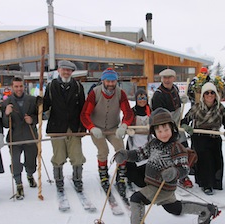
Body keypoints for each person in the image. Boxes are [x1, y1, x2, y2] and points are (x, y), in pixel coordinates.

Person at [113, 108, 220, 224]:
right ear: (154, 132)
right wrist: (126, 155)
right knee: (173, 208)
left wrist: (174, 173)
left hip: (163, 186)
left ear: (172, 128)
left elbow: (184, 169)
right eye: (159, 131)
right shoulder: (153, 144)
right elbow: (140, 154)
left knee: (136, 199)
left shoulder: (176, 147)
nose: (163, 134)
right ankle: (206, 210)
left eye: (166, 129)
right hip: (154, 184)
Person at [80, 68, 134, 198]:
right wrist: (92, 127)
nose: (110, 84)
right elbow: (85, 114)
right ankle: (103, 175)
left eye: (113, 81)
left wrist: (124, 125)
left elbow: (128, 112)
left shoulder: (121, 93)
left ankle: (120, 176)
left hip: (113, 127)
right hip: (97, 128)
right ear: (103, 81)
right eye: (108, 81)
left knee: (121, 149)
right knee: (103, 151)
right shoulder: (95, 93)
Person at [181, 82, 225, 195]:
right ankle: (206, 185)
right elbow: (184, 121)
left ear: (215, 95)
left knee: (216, 160)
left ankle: (215, 183)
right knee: (205, 161)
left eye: (212, 93)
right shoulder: (196, 107)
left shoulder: (220, 108)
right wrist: (186, 127)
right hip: (199, 137)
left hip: (214, 137)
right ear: (203, 95)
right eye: (207, 93)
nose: (209, 95)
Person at [42, 60, 86, 192]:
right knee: (58, 156)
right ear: (59, 70)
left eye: (69, 70)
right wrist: (39, 102)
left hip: (74, 127)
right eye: (63, 69)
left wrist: (82, 127)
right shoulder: (51, 86)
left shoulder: (78, 86)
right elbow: (45, 106)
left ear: (72, 72)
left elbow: (83, 108)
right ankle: (59, 180)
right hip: (57, 127)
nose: (66, 72)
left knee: (77, 156)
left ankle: (77, 179)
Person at [150, 68, 192, 188]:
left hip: (177, 124)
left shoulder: (175, 89)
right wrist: (169, 129)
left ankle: (183, 175)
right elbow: (159, 116)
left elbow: (177, 107)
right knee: (170, 153)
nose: (167, 80)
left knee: (183, 150)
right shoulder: (158, 95)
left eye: (169, 77)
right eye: (164, 78)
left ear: (174, 79)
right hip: (166, 127)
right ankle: (167, 175)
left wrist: (181, 100)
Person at [2, 77, 38, 200]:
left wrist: (32, 120)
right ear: (12, 87)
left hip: (30, 136)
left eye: (21, 86)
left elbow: (39, 115)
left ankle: (30, 174)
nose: (18, 89)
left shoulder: (32, 100)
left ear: (24, 86)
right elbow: (5, 124)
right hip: (14, 137)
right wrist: (7, 114)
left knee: (31, 161)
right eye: (16, 86)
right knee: (15, 162)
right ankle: (18, 183)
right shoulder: (7, 102)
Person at [125, 89, 152, 188]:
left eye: (144, 98)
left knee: (145, 180)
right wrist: (128, 129)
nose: (142, 100)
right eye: (140, 98)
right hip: (134, 141)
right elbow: (125, 123)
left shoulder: (151, 111)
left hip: (147, 141)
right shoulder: (132, 112)